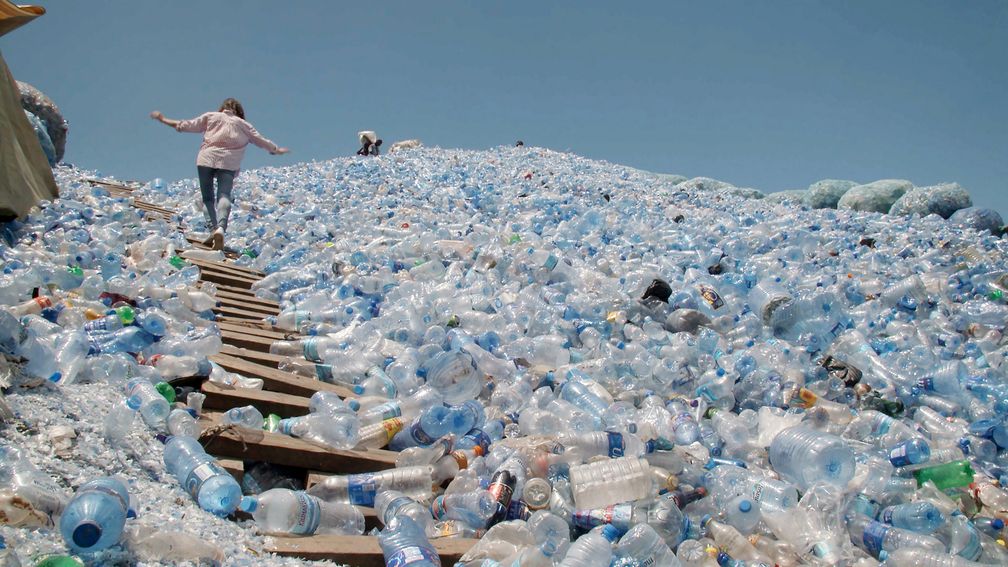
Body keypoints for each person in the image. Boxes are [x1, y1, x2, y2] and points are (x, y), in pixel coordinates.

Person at [150, 98, 288, 250]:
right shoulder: (244, 125)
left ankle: (213, 230)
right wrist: (275, 150)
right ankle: (221, 229)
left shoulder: (211, 116)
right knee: (224, 195)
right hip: (229, 163)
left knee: (208, 199)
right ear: (239, 112)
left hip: (206, 159)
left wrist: (162, 119)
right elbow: (261, 141)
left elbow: (185, 125)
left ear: (222, 108)